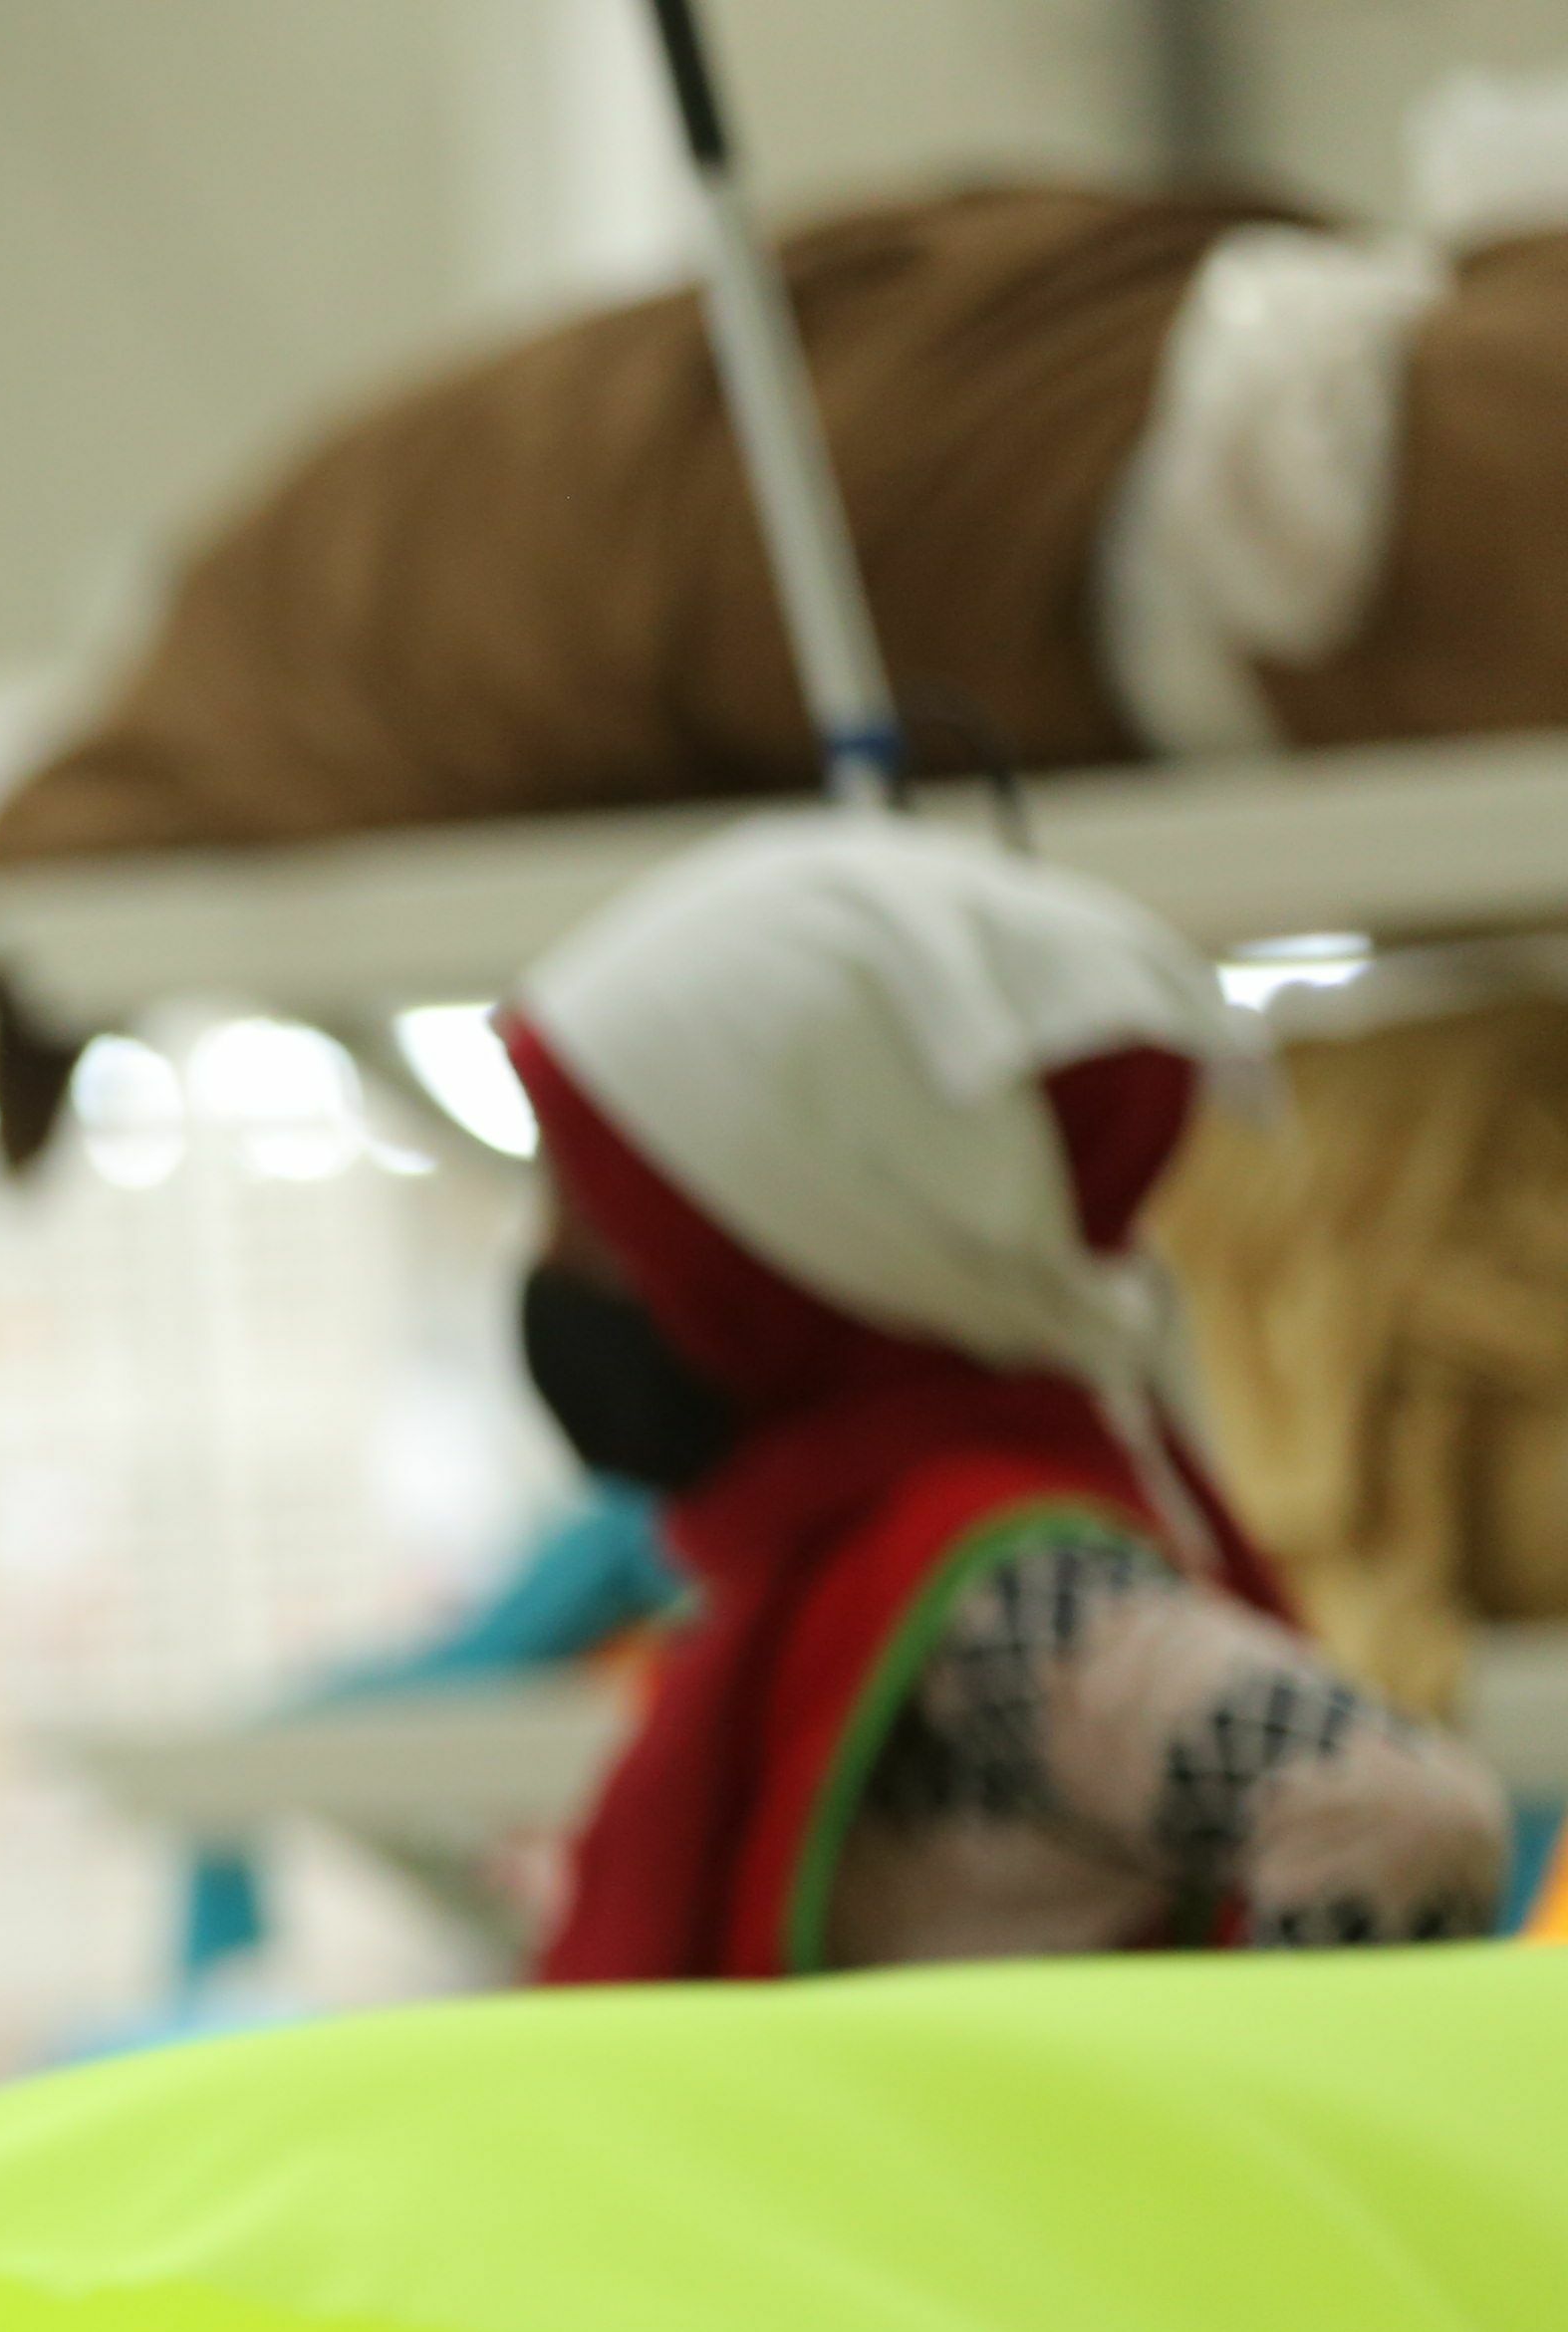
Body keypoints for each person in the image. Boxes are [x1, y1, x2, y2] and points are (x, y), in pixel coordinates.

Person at [500, 815, 1506, 1979]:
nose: (554, 1269)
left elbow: (1394, 1819)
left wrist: (1232, 2141)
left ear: (773, 1245)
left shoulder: (1003, 1591)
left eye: (597, 1222)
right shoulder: (810, 1569)